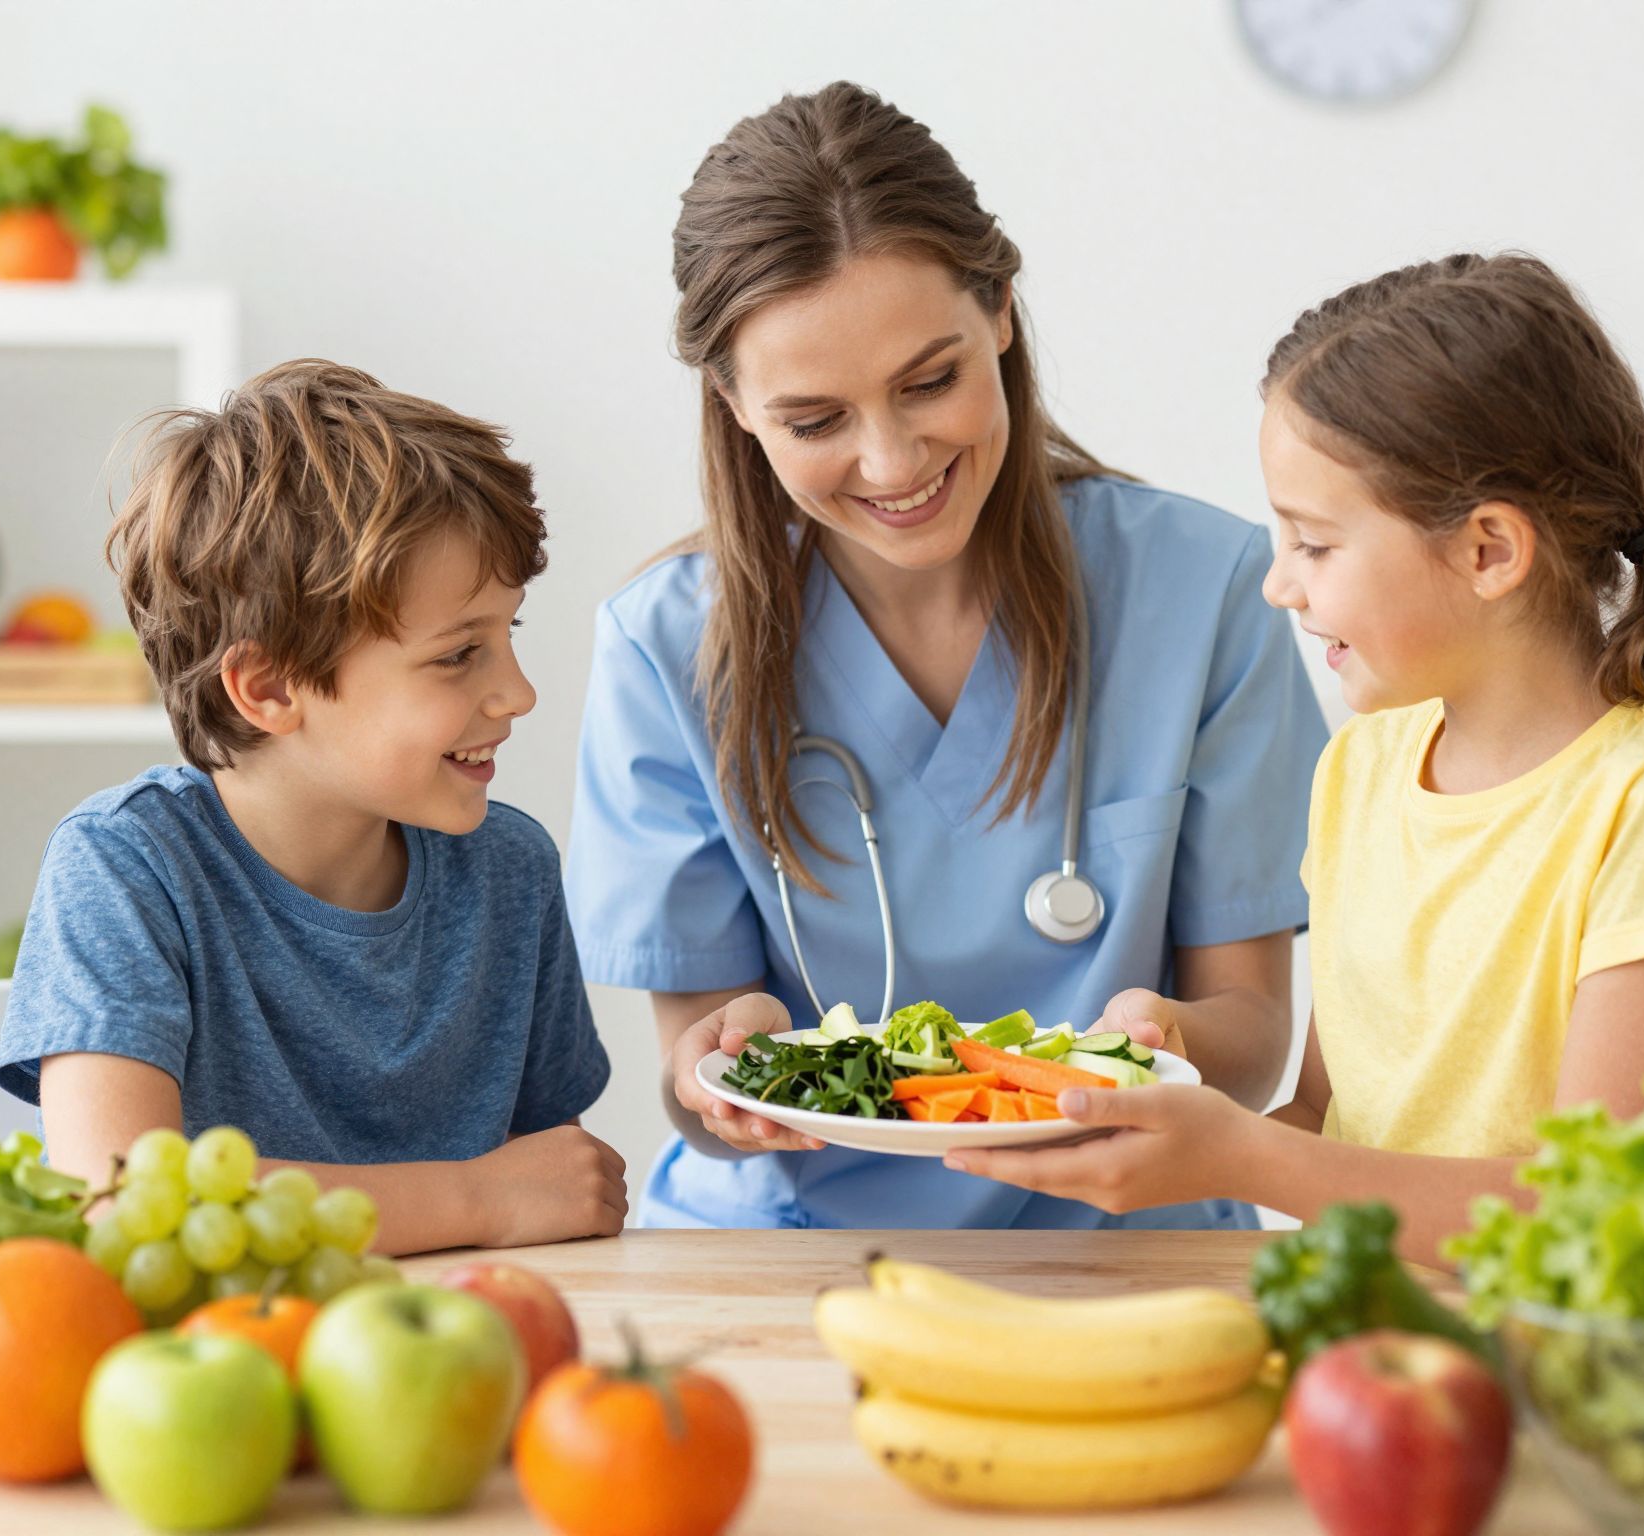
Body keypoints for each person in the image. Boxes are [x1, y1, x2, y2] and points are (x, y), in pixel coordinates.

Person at [950, 254, 1644, 1263]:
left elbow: (1601, 1210)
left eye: (1315, 546)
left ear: (1485, 552)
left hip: (1601, 1377)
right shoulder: (1362, 769)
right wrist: (1160, 1068)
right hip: (1387, 1350)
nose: (1277, 586)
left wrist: (1239, 1159)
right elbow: (1322, 1122)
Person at [566, 83, 1328, 1230]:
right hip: (786, 1254)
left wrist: (1167, 1039)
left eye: (931, 382)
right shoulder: (665, 645)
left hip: (1123, 1247)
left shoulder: (1204, 589)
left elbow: (1253, 1039)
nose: (889, 460)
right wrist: (725, 1065)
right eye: (814, 421)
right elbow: (693, 1078)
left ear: (1002, 315)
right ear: (730, 403)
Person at [0, 360, 626, 1255]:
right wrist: (477, 1200)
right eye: (458, 655)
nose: (517, 693)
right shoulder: (126, 867)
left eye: (507, 633)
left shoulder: (509, 870)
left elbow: (554, 1180)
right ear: (268, 688)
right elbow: (123, 1196)